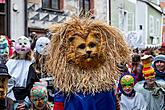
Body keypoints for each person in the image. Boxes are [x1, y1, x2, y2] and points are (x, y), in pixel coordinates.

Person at [6, 36, 33, 110]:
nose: (23, 45)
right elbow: (7, 83)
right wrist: (13, 101)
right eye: (20, 43)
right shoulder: (10, 63)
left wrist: (27, 101)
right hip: (12, 98)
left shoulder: (32, 63)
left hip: (28, 97)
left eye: (25, 43)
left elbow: (33, 83)